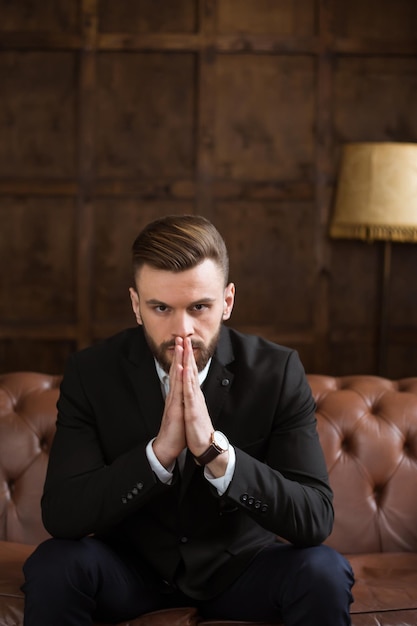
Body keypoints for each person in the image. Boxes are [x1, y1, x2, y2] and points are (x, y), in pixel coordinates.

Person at [23, 214, 354, 625]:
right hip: (130, 571)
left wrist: (215, 453)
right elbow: (62, 514)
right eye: (161, 307)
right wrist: (157, 455)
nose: (182, 329)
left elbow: (315, 518)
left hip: (240, 570)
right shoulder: (92, 373)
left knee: (323, 570)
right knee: (55, 564)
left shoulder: (278, 371)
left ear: (228, 302)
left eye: (200, 307)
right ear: (135, 306)